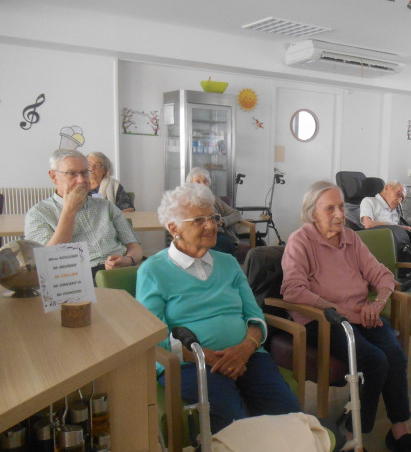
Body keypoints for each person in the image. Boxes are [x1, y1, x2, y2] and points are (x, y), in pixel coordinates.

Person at [282, 180, 411, 452]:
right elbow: (292, 291)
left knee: (395, 356)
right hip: (322, 321)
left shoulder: (350, 239)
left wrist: (379, 302)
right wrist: (340, 311)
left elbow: (383, 275)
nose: (338, 214)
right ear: (312, 214)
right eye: (329, 208)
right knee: (375, 361)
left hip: (363, 315)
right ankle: (349, 438)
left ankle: (399, 430)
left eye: (340, 206)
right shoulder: (301, 241)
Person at [136, 182, 301, 434]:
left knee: (290, 415)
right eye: (199, 220)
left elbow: (254, 316)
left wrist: (245, 349)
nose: (211, 225)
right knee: (237, 427)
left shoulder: (229, 263)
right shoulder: (153, 271)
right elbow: (155, 339)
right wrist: (211, 357)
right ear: (174, 228)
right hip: (190, 365)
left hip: (249, 355)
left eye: (213, 217)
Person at [25, 149, 142, 277]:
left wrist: (129, 260)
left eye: (85, 172)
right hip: (80, 276)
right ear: (54, 177)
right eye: (72, 173)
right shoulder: (38, 213)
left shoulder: (106, 206)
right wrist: (69, 211)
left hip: (122, 269)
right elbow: (50, 261)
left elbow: (134, 246)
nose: (81, 180)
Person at [187, 167, 242, 255]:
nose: (202, 185)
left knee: (224, 245)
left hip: (217, 234)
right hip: (196, 235)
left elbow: (237, 214)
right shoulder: (184, 201)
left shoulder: (215, 200)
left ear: (209, 184)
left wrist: (224, 221)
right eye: (198, 182)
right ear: (190, 184)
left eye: (206, 181)